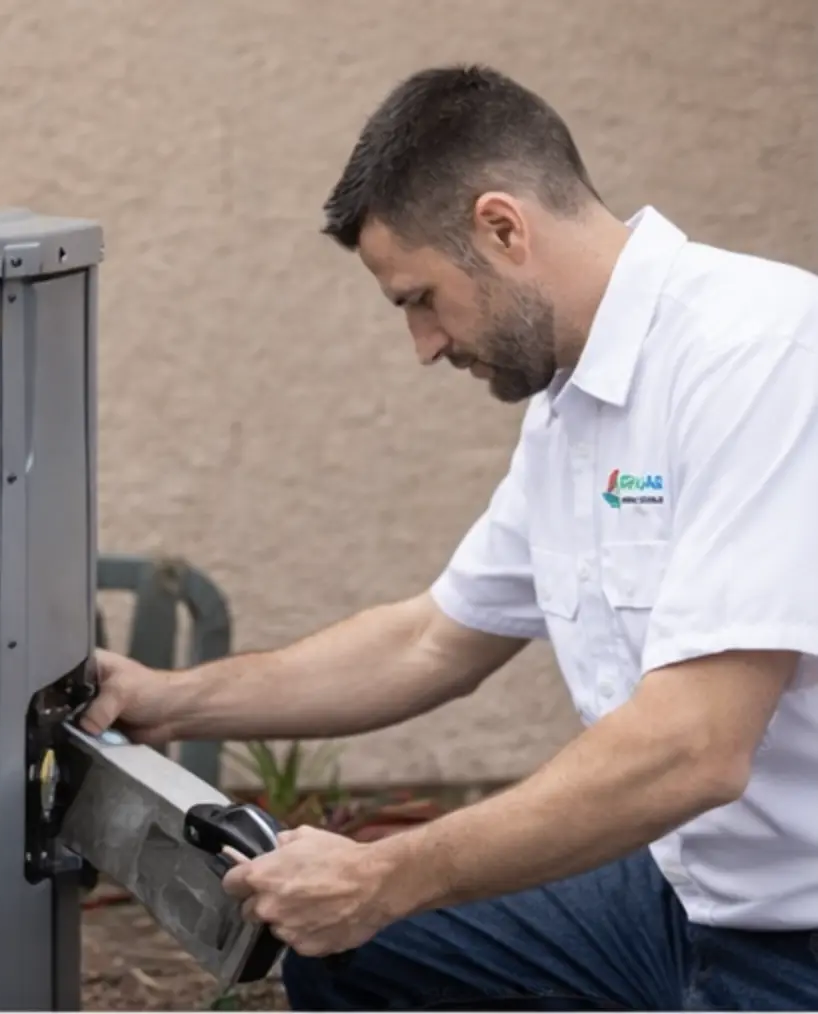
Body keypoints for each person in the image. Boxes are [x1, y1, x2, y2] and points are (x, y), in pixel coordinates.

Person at [83, 65, 818, 1010]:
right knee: (354, 952)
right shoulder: (572, 407)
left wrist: (391, 873)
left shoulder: (761, 358)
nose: (424, 346)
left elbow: (695, 746)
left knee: (377, 906)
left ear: (503, 228)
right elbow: (433, 639)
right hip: (683, 902)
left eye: (418, 299)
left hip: (798, 940)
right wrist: (171, 702)